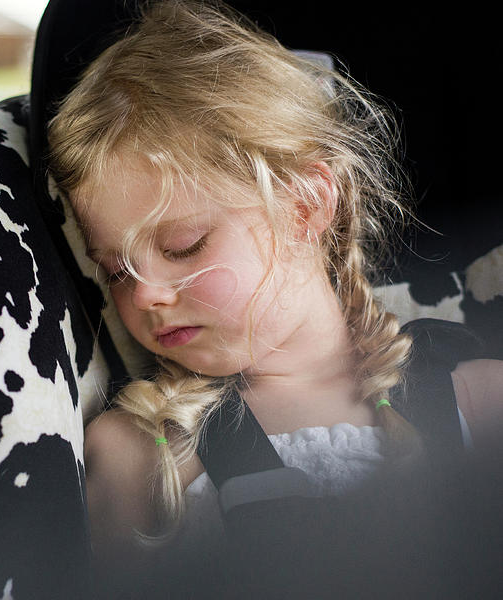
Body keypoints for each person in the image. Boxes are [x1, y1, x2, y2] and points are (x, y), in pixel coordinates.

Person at [47, 0, 503, 595]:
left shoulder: (483, 401)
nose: (149, 295)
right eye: (116, 272)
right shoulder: (141, 456)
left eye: (184, 246)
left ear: (306, 204)